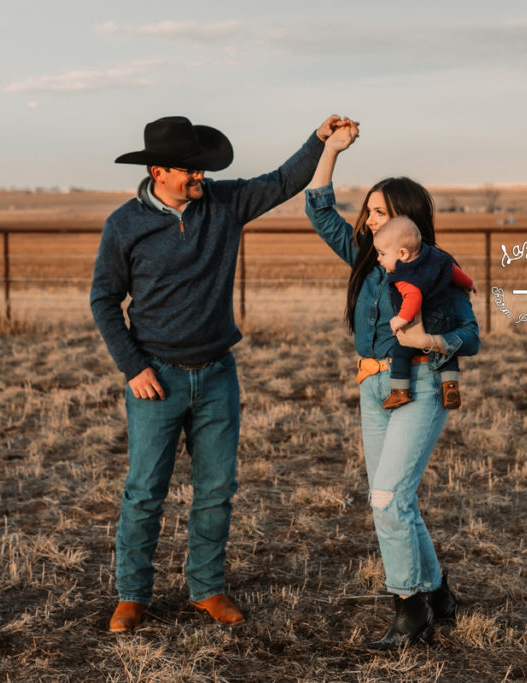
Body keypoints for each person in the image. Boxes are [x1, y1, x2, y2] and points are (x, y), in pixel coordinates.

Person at [91, 114, 346, 633]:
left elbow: (281, 181)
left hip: (216, 375)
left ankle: (206, 588)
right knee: (144, 491)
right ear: (158, 170)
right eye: (190, 170)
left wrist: (318, 141)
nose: (200, 178)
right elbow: (103, 299)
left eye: (203, 170)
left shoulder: (224, 204)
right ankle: (132, 594)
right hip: (154, 379)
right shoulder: (124, 224)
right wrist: (134, 367)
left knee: (216, 489)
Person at [305, 120, 481, 650]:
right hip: (372, 388)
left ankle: (409, 610)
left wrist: (429, 339)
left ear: (409, 221)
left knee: (387, 499)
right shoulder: (365, 258)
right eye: (369, 211)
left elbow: (469, 336)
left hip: (421, 387)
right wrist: (329, 150)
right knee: (396, 499)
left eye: (381, 213)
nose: (369, 219)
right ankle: (440, 595)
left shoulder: (436, 272)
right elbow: (317, 207)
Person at [372, 215, 476, 410]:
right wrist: (469, 283)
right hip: (446, 317)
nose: (379, 258)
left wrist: (400, 319)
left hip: (425, 320)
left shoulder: (403, 275)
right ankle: (450, 385)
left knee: (401, 351)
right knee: (447, 354)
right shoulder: (435, 257)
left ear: (403, 254)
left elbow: (413, 297)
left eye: (382, 253)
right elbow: (453, 271)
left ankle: (399, 391)